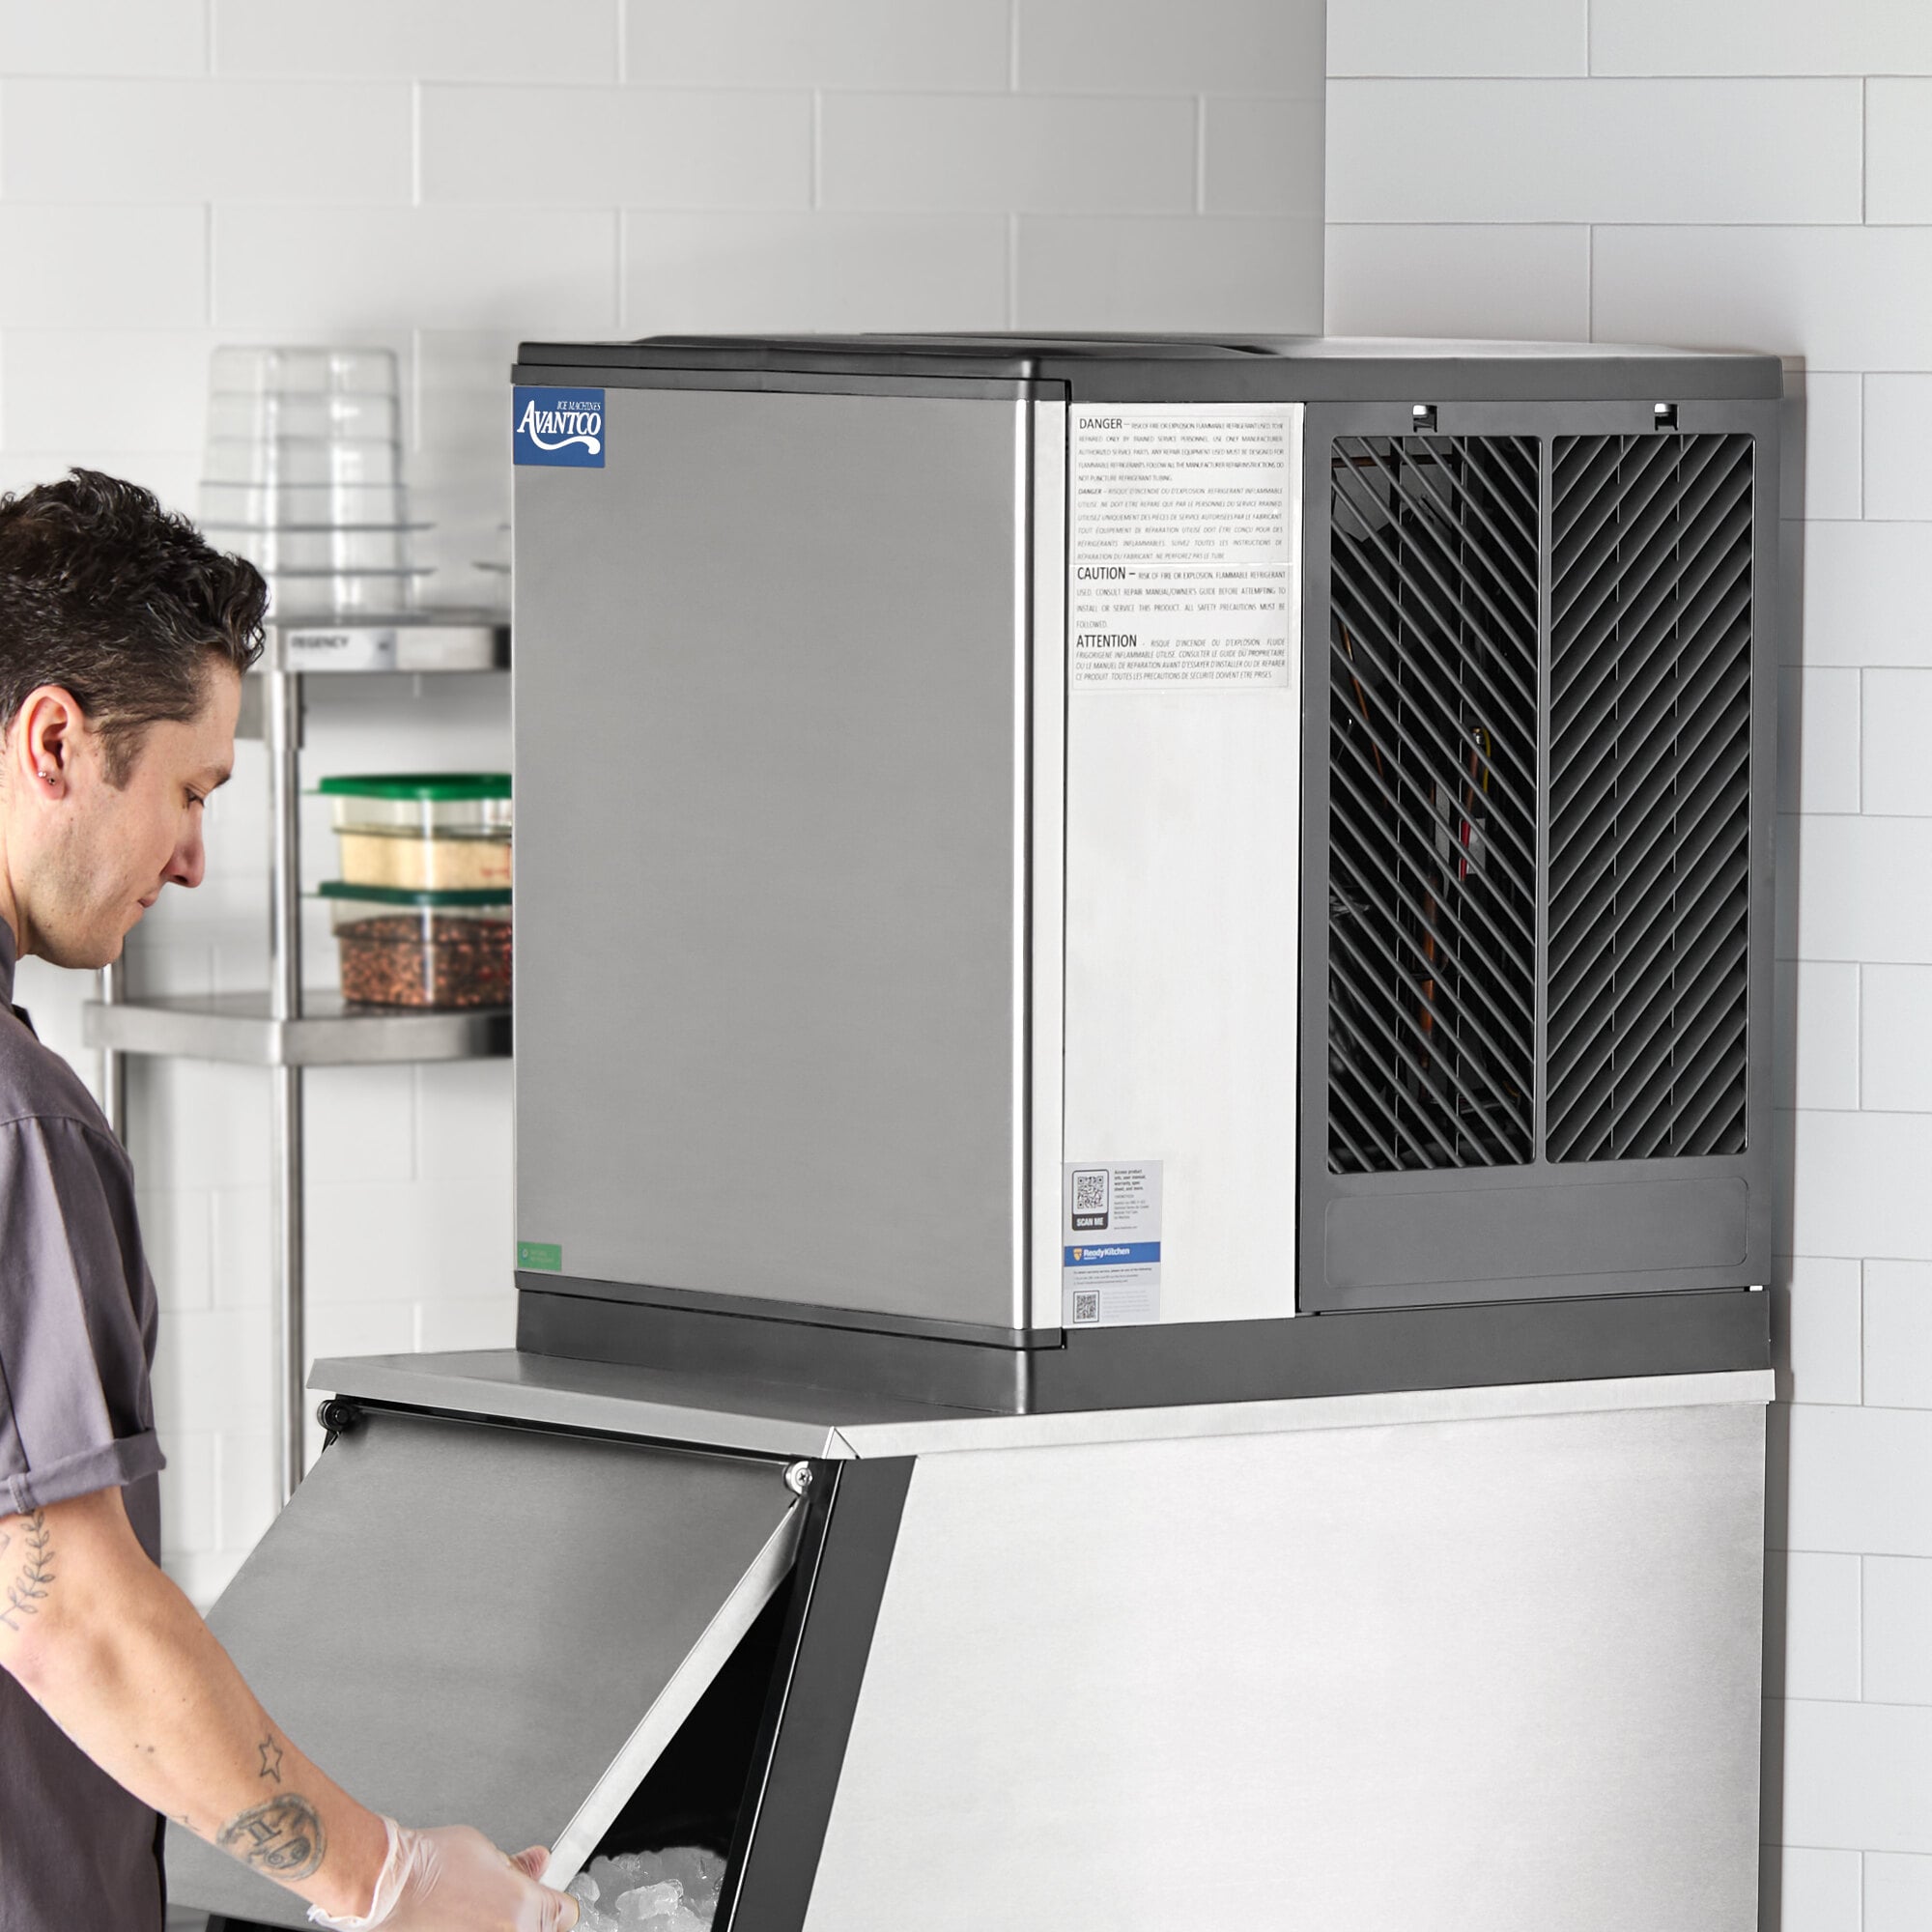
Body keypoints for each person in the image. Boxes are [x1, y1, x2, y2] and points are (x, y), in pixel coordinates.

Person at [0, 472, 578, 1932]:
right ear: (55, 742)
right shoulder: (19, 1126)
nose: (194, 858)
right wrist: (390, 1882)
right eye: (191, 790)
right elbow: (67, 1612)